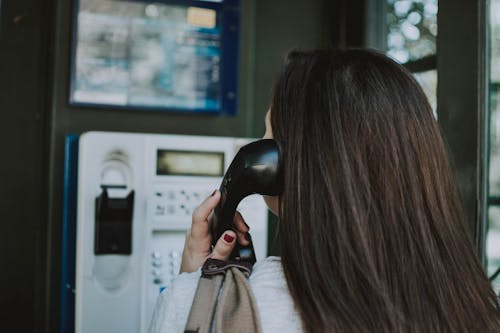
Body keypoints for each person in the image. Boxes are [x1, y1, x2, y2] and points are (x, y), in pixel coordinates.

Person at [149, 49, 500, 332]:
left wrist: (198, 286)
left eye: (267, 134)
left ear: (276, 165)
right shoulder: (472, 305)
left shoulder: (208, 305)